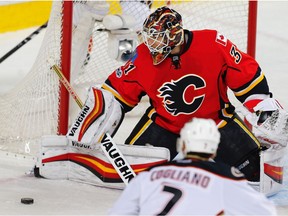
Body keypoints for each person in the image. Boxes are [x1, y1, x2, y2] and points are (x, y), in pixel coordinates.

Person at [68, 6, 288, 184]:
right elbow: (116, 92)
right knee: (137, 176)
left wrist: (262, 111)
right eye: (150, 38)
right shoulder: (141, 56)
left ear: (174, 35)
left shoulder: (212, 43)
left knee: (253, 172)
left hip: (217, 125)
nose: (151, 44)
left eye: (157, 38)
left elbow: (249, 81)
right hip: (164, 128)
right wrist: (98, 113)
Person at [109, 118, 277, 215]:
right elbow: (266, 212)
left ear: (182, 145)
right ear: (213, 150)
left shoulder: (150, 174)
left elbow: (120, 213)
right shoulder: (226, 178)